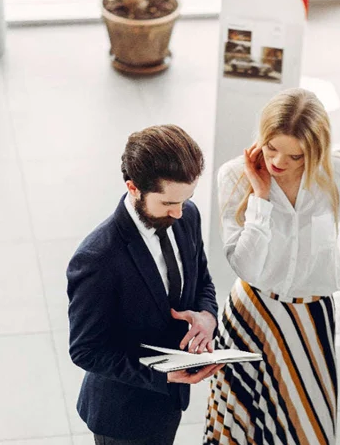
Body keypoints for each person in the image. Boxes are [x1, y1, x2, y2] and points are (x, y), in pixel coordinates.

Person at [204, 88, 340, 444]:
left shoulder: (335, 170)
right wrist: (261, 197)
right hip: (253, 314)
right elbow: (243, 265)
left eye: (294, 155)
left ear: (314, 150)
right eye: (272, 147)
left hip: (311, 319)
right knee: (241, 430)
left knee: (307, 430)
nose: (278, 162)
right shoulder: (234, 176)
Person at [67, 125, 222, 445]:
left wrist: (207, 316)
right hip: (123, 416)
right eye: (167, 203)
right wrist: (160, 374)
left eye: (186, 199)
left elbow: (203, 279)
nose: (179, 212)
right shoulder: (98, 258)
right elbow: (86, 350)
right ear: (134, 188)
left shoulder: (187, 215)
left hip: (168, 403)